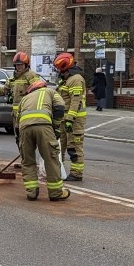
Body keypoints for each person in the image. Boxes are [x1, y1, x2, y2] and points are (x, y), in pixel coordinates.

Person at [17, 79, 70, 201]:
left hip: (24, 128)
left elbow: (16, 120)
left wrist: (19, 139)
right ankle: (55, 193)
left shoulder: (25, 98)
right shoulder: (50, 91)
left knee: (27, 161)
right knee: (51, 159)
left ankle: (31, 192)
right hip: (44, 127)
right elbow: (60, 107)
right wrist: (56, 127)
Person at [0, 51, 42, 144]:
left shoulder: (31, 75)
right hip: (16, 114)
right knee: (18, 138)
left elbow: (38, 90)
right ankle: (23, 156)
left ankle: (27, 157)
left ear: (26, 64)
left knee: (26, 138)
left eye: (21, 64)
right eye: (17, 65)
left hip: (27, 112)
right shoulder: (13, 77)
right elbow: (4, 90)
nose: (19, 67)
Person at [54, 52, 87, 181]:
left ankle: (77, 173)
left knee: (74, 146)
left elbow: (75, 101)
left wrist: (70, 119)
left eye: (59, 69)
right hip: (64, 119)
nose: (58, 72)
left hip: (74, 121)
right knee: (60, 146)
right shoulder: (67, 80)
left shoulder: (76, 79)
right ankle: (58, 170)